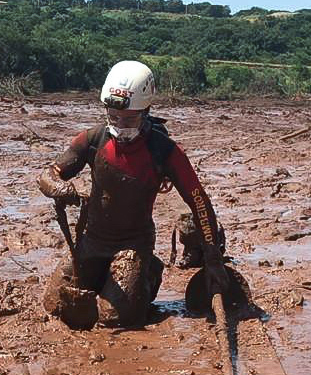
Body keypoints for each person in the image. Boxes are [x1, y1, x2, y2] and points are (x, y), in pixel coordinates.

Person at [38, 60, 230, 329]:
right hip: (92, 242)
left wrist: (213, 261)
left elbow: (198, 202)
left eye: (129, 119)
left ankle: (148, 271)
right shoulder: (93, 139)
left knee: (115, 319)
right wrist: (62, 189)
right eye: (113, 117)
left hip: (133, 244)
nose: (120, 125)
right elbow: (48, 175)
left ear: (146, 110)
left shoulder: (164, 151)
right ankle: (115, 277)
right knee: (55, 306)